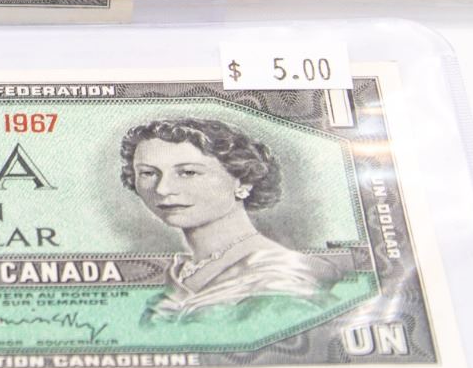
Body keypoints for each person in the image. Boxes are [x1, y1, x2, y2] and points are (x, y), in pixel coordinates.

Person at [120, 118, 338, 321]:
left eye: (188, 172)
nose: (162, 189)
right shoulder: (180, 273)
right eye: (148, 173)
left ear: (243, 181)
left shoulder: (282, 280)